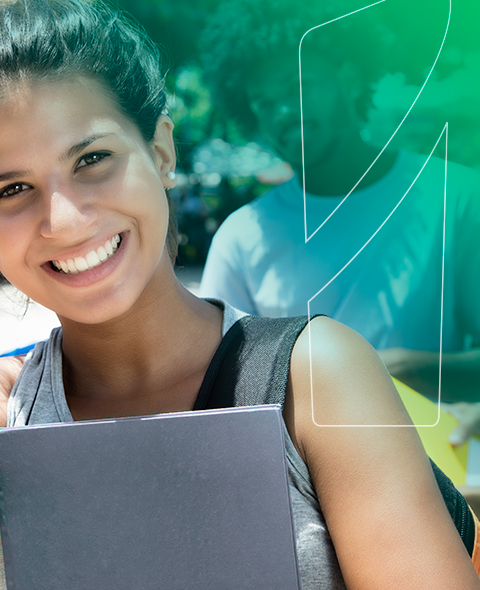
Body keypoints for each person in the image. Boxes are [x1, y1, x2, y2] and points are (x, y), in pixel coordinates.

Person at [0, 1, 480, 589]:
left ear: (161, 151)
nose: (64, 219)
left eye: (93, 159)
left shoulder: (315, 374)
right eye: (12, 191)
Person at [198, 0, 480, 442]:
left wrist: (410, 369)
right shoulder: (241, 236)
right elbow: (212, 387)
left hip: (438, 472)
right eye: (264, 102)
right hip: (299, 491)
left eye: (299, 87)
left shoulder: (456, 197)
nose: (283, 112)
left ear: (349, 78)